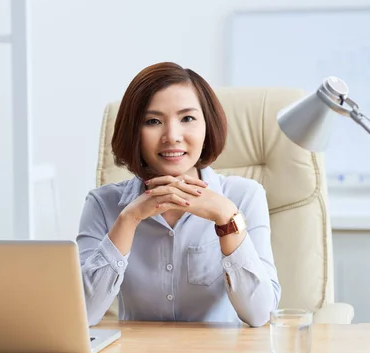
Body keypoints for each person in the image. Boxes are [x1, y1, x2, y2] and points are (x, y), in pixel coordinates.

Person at [77, 62, 281, 327]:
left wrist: (226, 218)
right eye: (153, 121)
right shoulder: (102, 204)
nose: (172, 136)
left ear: (207, 127)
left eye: (187, 119)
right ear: (134, 133)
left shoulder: (244, 196)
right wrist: (128, 219)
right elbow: (83, 315)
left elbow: (260, 314)